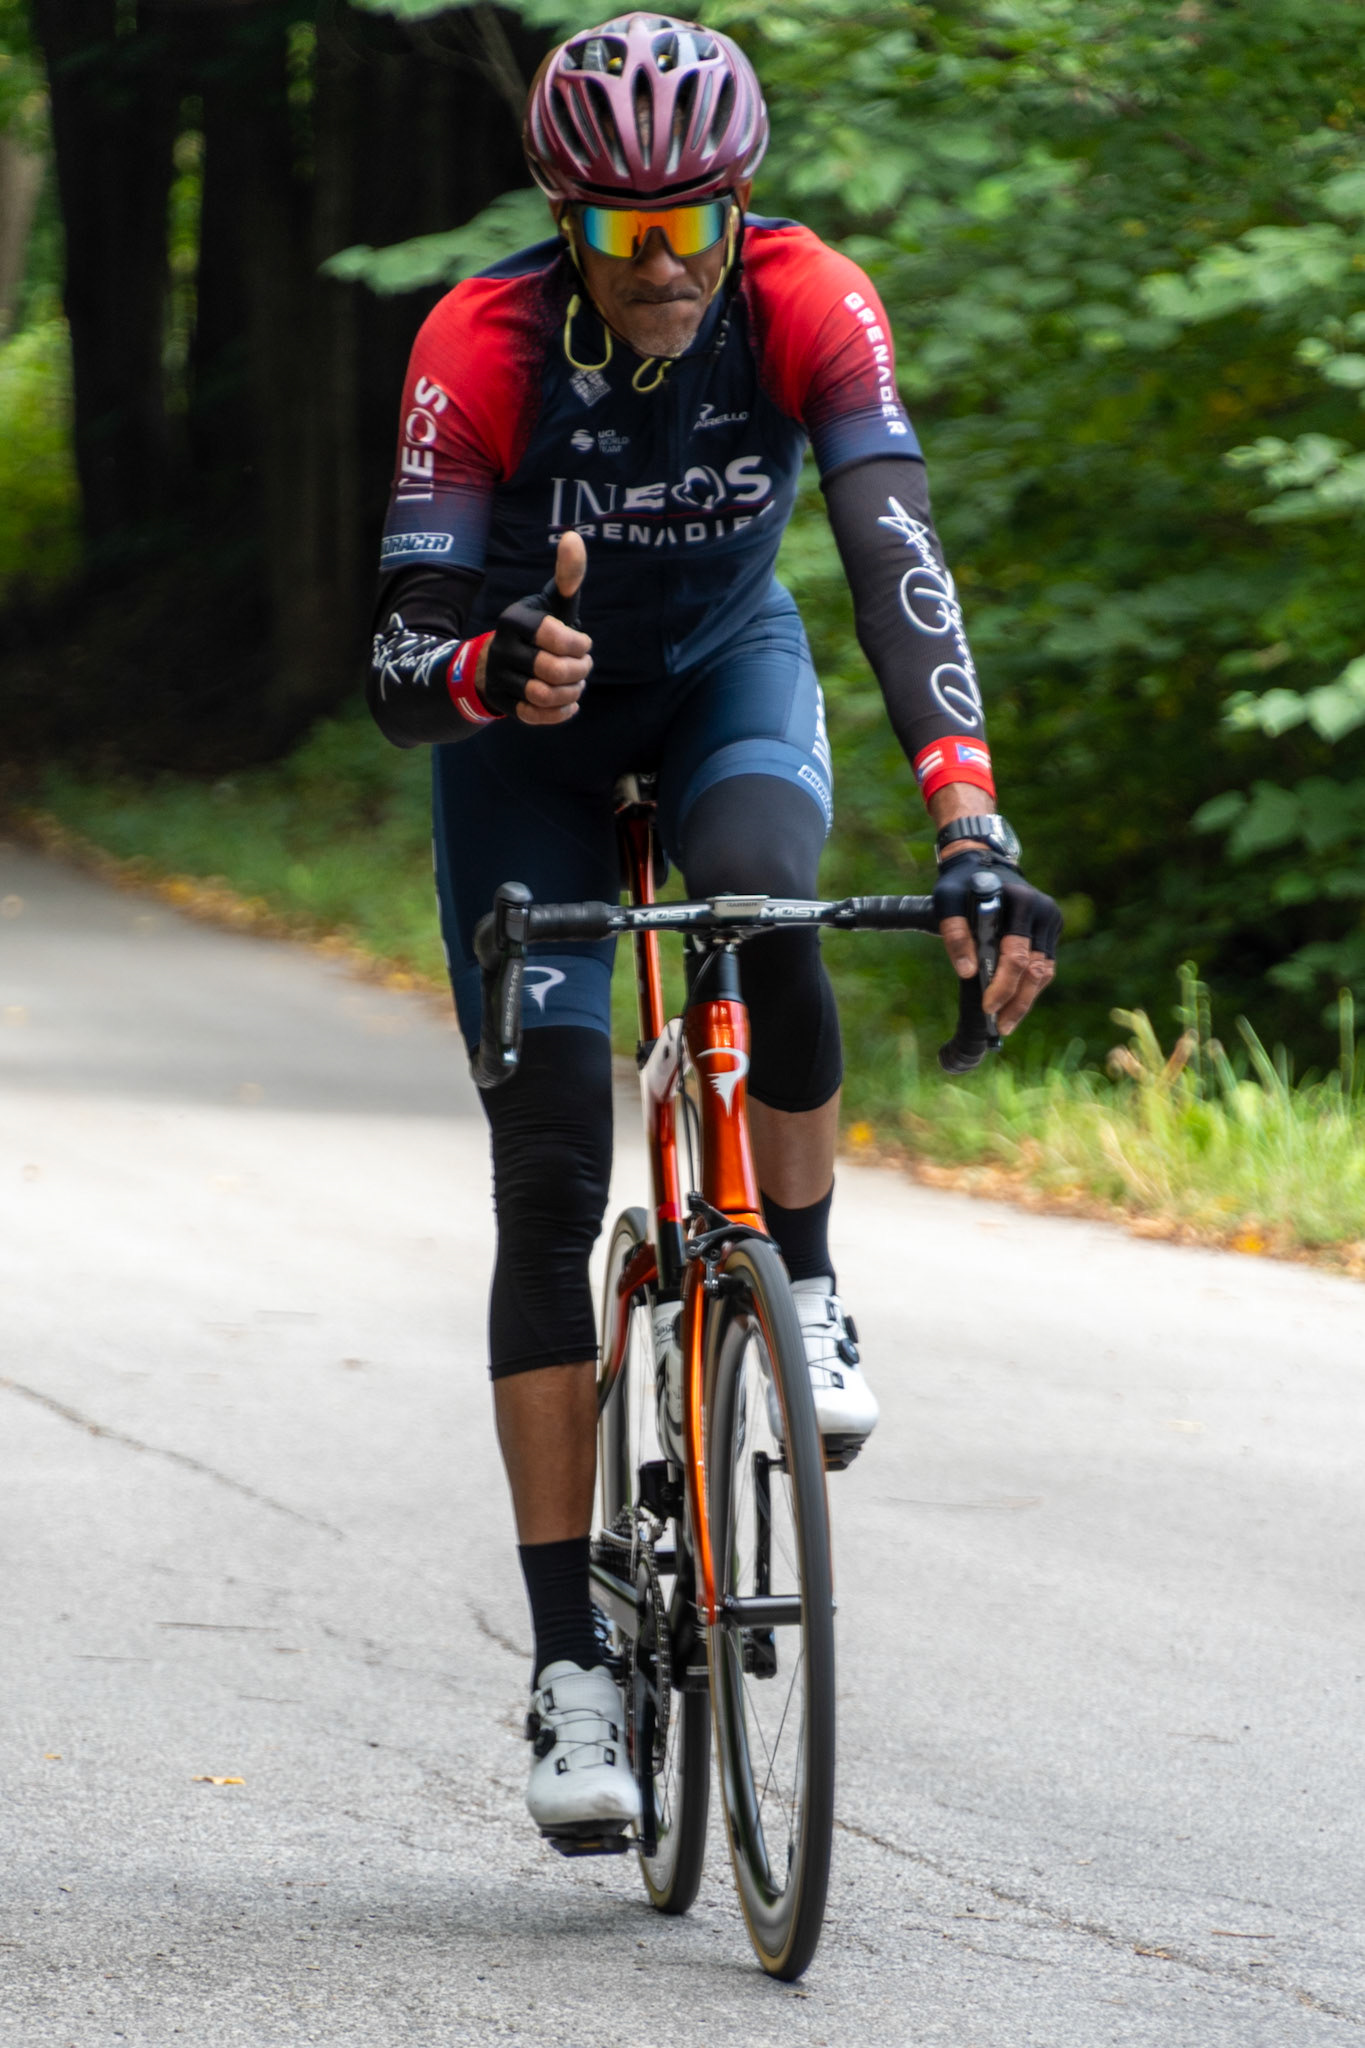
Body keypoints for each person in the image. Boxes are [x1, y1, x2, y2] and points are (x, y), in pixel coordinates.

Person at [368, 13, 1061, 1849]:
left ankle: (804, 1282)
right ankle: (568, 1671)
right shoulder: (479, 340)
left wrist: (969, 824)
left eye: (694, 224)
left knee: (765, 901)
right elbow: (398, 659)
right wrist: (487, 666)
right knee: (545, 1171)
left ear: (739, 208)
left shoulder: (809, 297)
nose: (664, 264)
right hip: (528, 737)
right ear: (566, 223)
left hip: (720, 678)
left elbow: (896, 553)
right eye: (625, 232)